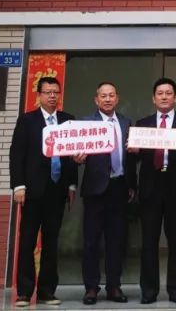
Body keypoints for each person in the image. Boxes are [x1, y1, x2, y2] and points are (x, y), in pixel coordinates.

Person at [9, 76, 79, 308]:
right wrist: (18, 185)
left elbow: (73, 154)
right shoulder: (27, 120)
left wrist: (71, 184)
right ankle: (24, 292)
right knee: (27, 241)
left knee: (51, 242)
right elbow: (17, 154)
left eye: (55, 92)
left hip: (57, 191)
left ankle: (47, 291)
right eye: (47, 92)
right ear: (39, 95)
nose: (52, 96)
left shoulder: (68, 121)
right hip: (32, 191)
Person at [131, 77, 176, 305]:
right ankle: (148, 291)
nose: (164, 97)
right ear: (153, 98)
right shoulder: (142, 124)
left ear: (175, 97)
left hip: (175, 188)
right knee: (148, 243)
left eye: (169, 93)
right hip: (150, 189)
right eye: (160, 93)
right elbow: (136, 158)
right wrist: (133, 150)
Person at [76, 82, 136, 305]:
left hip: (119, 188)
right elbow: (75, 153)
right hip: (95, 189)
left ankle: (114, 286)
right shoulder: (85, 124)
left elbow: (131, 159)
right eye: (103, 96)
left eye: (111, 95)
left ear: (117, 98)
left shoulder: (126, 123)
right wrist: (77, 158)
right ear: (96, 100)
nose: (108, 99)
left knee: (116, 241)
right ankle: (91, 287)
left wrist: (132, 184)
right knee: (91, 241)